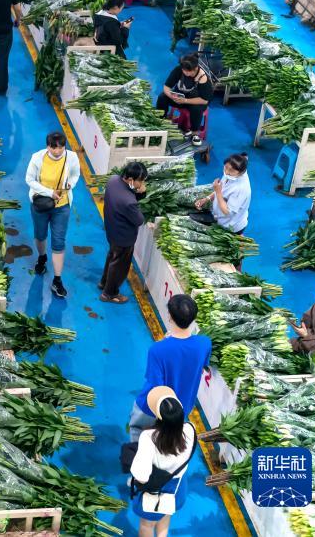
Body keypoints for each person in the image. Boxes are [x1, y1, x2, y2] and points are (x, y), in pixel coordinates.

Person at [129, 295, 211, 440]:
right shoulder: (204, 343)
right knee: (166, 441)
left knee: (138, 433)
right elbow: (201, 366)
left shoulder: (158, 350)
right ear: (193, 318)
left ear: (170, 317)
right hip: (181, 407)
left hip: (152, 408)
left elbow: (156, 386)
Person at [129, 388, 196, 537]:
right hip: (176, 489)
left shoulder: (148, 437)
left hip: (154, 491)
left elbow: (142, 475)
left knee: (147, 525)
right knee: (166, 516)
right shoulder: (191, 430)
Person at [25, 131, 81, 299]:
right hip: (40, 204)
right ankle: (42, 258)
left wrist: (71, 183)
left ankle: (57, 280)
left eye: (61, 147)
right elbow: (29, 180)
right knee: (40, 235)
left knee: (59, 241)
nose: (58, 151)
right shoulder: (37, 158)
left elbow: (76, 174)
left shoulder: (71, 157)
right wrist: (49, 193)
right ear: (47, 146)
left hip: (62, 206)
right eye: (54, 148)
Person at [100, 161, 148, 303]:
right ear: (131, 180)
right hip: (123, 237)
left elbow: (126, 197)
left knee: (112, 257)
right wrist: (142, 193)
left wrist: (140, 192)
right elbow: (139, 220)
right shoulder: (128, 201)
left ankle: (104, 282)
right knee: (120, 265)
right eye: (141, 181)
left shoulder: (113, 180)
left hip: (111, 229)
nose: (141, 184)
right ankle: (110, 293)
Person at [156, 52, 211, 145]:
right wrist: (172, 96)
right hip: (180, 97)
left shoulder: (203, 78)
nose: (186, 73)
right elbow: (166, 87)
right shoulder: (179, 70)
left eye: (188, 72)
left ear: (195, 68)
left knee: (197, 109)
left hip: (196, 101)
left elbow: (204, 100)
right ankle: (160, 120)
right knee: (162, 97)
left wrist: (186, 100)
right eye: (184, 70)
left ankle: (194, 133)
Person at [191, 153, 250, 234]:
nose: (226, 172)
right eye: (226, 167)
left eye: (231, 171)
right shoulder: (231, 175)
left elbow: (227, 212)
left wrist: (218, 192)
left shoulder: (241, 189)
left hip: (231, 225)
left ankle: (240, 235)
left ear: (241, 172)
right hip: (220, 216)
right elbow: (221, 190)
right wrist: (206, 199)